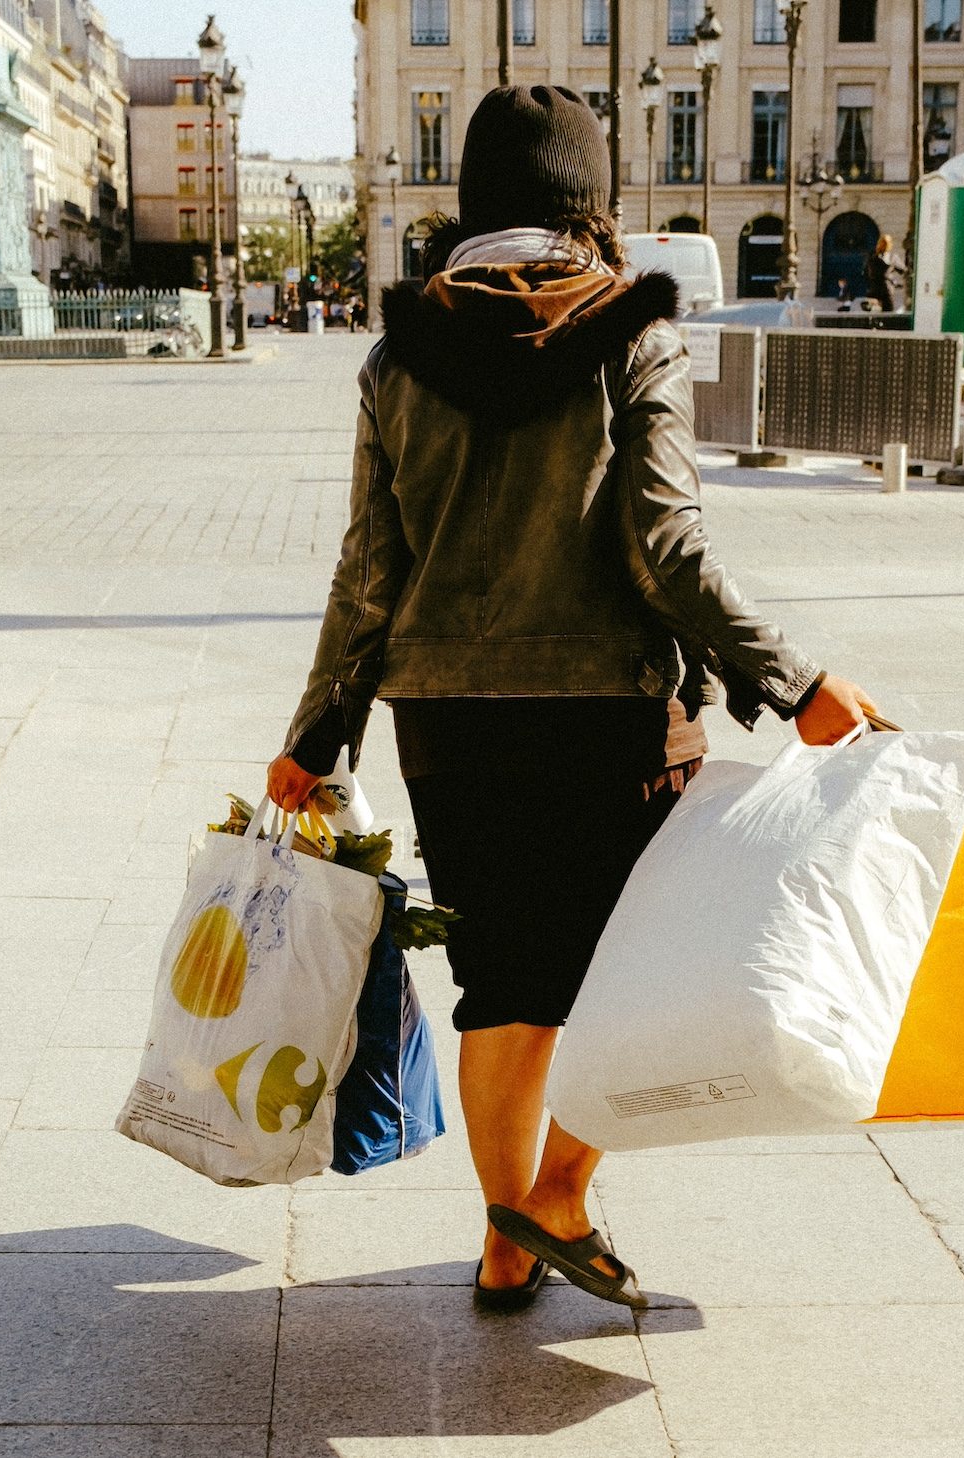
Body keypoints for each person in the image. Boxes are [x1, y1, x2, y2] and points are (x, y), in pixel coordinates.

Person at [265, 86, 876, 1314]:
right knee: (629, 969)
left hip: (445, 715)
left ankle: (503, 1246)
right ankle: (550, 1200)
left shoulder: (396, 356)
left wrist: (314, 736)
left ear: (471, 204)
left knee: (501, 977)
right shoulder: (634, 333)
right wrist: (792, 681)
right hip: (611, 712)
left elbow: (366, 574)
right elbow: (665, 548)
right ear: (590, 205)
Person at [868, 234, 900, 311]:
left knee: (874, 316)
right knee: (888, 314)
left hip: (873, 290)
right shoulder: (892, 257)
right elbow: (903, 270)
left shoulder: (872, 257)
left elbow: (866, 273)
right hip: (886, 290)